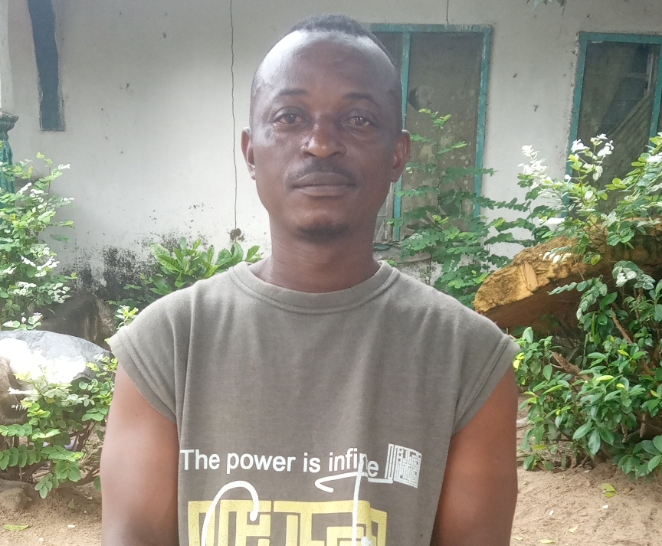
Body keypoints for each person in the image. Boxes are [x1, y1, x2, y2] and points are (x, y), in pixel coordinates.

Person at [101, 14, 519, 546]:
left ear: (397, 155)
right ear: (251, 152)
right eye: (290, 117)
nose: (321, 143)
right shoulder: (167, 345)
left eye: (358, 119)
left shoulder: (468, 360)